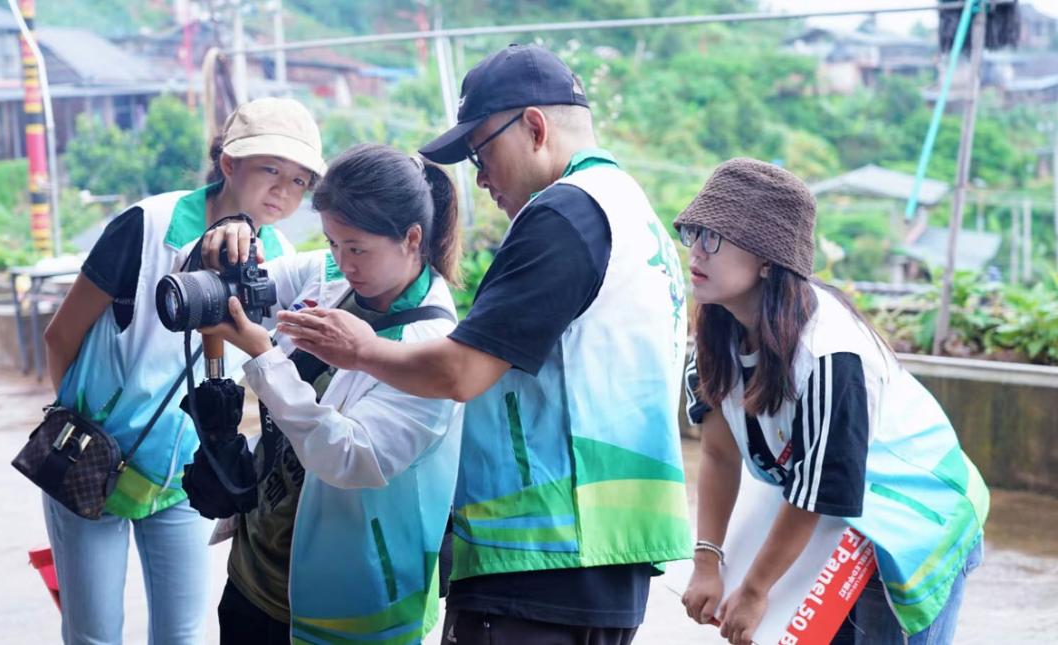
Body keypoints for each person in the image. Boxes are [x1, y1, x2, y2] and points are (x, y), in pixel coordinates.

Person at [281, 45, 692, 644]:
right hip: (607, 555)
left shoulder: (564, 214)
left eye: (482, 151)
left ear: (534, 127)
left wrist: (360, 349)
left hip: (541, 553)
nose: (479, 176)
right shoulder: (632, 212)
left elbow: (460, 373)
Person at [41, 97, 325, 644]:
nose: (283, 192)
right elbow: (61, 334)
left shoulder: (280, 259)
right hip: (90, 458)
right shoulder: (148, 226)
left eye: (298, 181)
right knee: (93, 633)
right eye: (270, 169)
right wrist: (83, 431)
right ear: (229, 164)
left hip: (185, 477)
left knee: (184, 634)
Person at [675, 158, 988, 645]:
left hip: (915, 513)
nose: (696, 250)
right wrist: (706, 562)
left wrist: (755, 590)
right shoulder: (717, 334)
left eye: (714, 237)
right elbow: (718, 454)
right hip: (837, 518)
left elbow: (820, 491)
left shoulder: (828, 353)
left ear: (768, 259)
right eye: (693, 232)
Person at [197, 143, 464, 644]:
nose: (343, 260)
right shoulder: (330, 275)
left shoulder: (429, 347)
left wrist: (264, 358)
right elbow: (220, 291)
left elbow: (349, 458)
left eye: (356, 248)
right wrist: (226, 241)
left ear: (411, 238)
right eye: (332, 242)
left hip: (347, 605)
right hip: (254, 576)